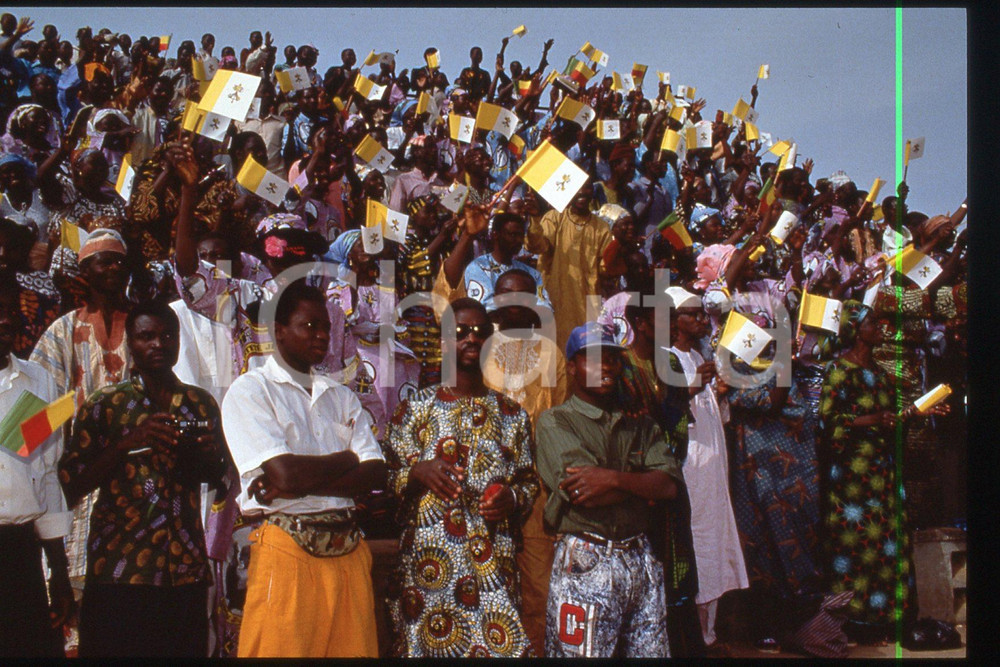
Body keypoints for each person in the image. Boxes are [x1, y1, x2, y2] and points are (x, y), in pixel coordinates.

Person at [221, 280, 386, 658]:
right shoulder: (250, 392)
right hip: (286, 551)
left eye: (325, 326)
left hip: (348, 551)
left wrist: (295, 483)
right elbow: (285, 475)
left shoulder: (341, 395)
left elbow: (376, 473)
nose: (321, 335)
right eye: (308, 325)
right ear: (278, 331)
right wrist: (346, 459)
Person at [58, 299, 229, 657]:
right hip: (120, 571)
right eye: (146, 336)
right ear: (130, 343)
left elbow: (218, 479)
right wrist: (127, 445)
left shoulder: (201, 404)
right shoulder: (106, 404)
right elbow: (71, 485)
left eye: (167, 335)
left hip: (185, 573)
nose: (158, 344)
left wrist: (205, 456)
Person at [382, 297, 540, 658]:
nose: (471, 339)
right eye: (460, 332)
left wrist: (512, 499)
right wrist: (416, 472)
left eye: (480, 332)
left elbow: (529, 482)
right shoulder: (414, 408)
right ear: (443, 341)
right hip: (427, 572)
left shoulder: (511, 414)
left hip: (493, 565)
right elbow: (386, 478)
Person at [536, 321, 681, 658]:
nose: (605, 367)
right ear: (572, 367)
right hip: (587, 555)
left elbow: (670, 487)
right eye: (592, 358)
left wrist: (613, 479)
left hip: (639, 554)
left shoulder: (640, 423)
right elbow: (584, 494)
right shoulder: (556, 421)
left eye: (612, 359)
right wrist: (644, 485)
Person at [817, 302, 949, 645]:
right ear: (854, 329)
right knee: (856, 542)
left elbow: (891, 420)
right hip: (852, 478)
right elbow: (826, 424)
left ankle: (886, 619)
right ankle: (852, 621)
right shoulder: (839, 371)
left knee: (887, 543)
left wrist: (917, 412)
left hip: (883, 473)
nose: (881, 328)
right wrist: (870, 421)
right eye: (872, 322)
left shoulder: (880, 374)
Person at [664, 287, 748, 649]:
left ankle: (709, 633)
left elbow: (714, 416)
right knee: (695, 543)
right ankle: (693, 636)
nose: (702, 320)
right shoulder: (666, 358)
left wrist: (718, 392)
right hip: (689, 468)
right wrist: (695, 385)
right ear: (673, 321)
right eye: (693, 315)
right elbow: (668, 414)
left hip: (712, 467)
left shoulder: (698, 353)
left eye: (702, 315)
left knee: (714, 542)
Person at [0, 272, 74, 658]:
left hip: (20, 558)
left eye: (11, 310)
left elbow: (47, 475)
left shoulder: (39, 382)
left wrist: (59, 575)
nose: (6, 320)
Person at [524, 184, 612, 350]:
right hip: (554, 297)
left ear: (592, 192)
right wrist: (535, 218)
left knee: (584, 351)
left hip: (587, 301)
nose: (581, 192)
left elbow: (605, 269)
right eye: (578, 187)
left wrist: (620, 249)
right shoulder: (554, 217)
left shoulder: (602, 227)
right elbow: (539, 246)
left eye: (586, 188)